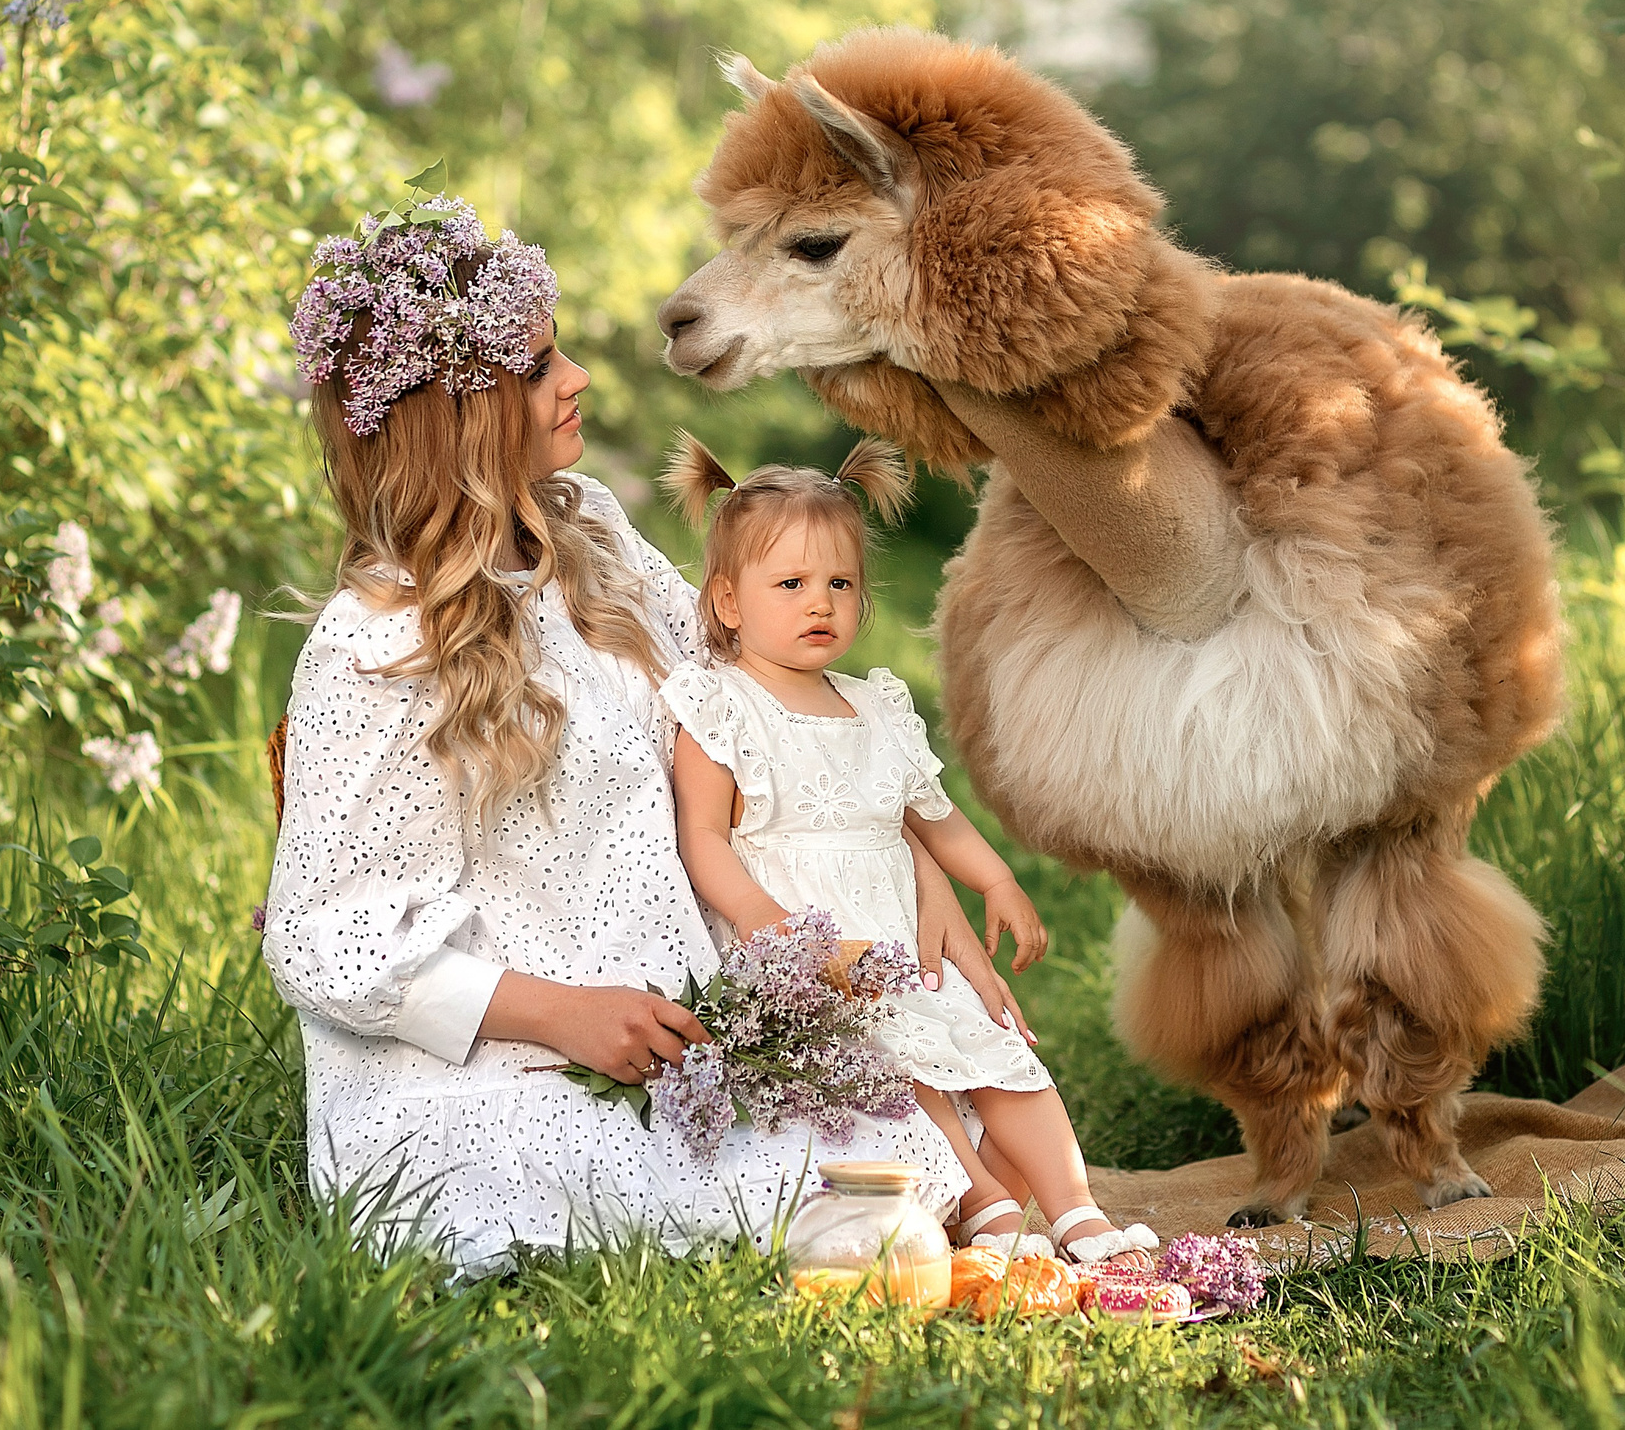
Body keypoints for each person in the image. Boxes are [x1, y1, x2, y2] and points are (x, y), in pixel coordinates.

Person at [260, 195, 1011, 1273]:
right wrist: (561, 1016)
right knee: (803, 1213)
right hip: (497, 1060)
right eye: (536, 368)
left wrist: (918, 868)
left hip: (677, 1019)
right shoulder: (377, 645)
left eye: (558, 351)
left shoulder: (589, 538)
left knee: (916, 1138)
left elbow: (740, 698)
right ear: (456, 418)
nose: (575, 381)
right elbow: (321, 935)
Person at [657, 434, 1162, 1266]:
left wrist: (997, 880)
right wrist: (771, 926)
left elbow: (933, 816)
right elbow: (704, 836)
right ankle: (986, 1201)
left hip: (901, 938)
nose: (820, 603)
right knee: (897, 1072)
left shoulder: (876, 706)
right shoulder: (720, 705)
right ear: (728, 602)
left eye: (840, 584)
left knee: (1000, 1056)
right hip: (809, 947)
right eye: (790, 584)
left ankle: (1076, 1207)